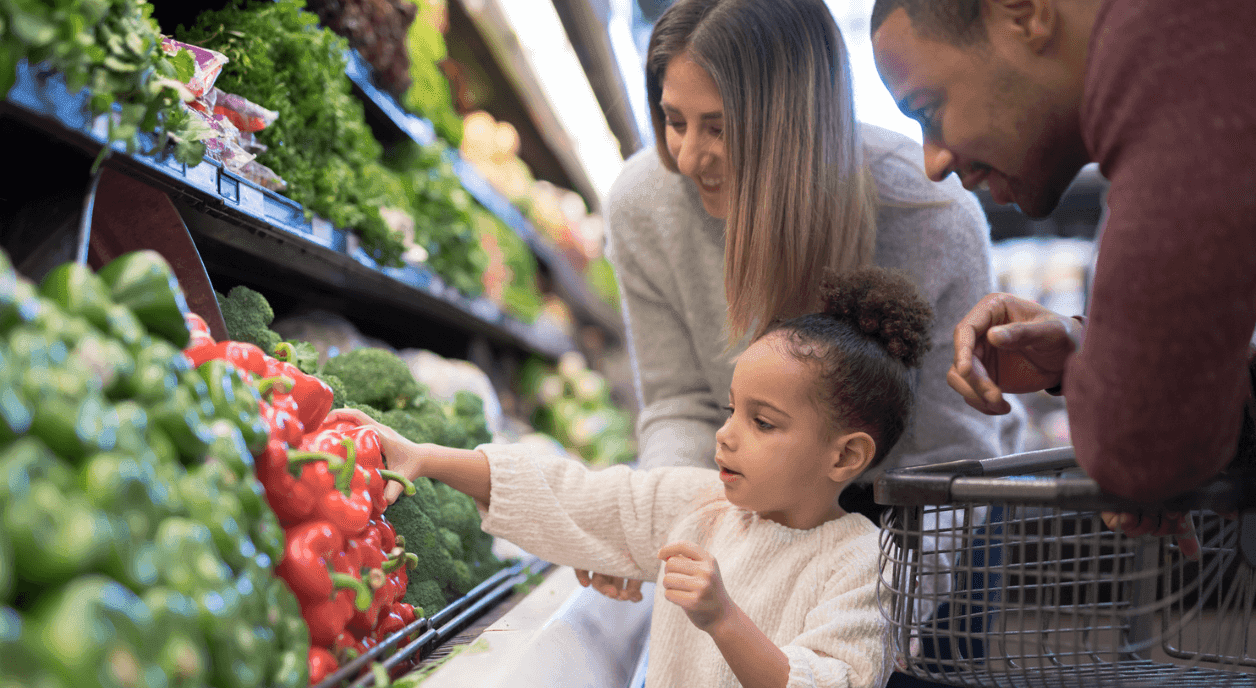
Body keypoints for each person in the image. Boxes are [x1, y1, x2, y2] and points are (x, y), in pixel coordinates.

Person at [592, 0, 1024, 604]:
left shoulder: (929, 216)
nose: (689, 158)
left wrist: (884, 626)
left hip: (916, 515)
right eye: (674, 120)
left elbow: (946, 453)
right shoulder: (642, 204)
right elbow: (682, 405)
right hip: (760, 504)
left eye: (719, 127)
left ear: (796, 124)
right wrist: (654, 527)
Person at [333, 267, 932, 688]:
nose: (725, 435)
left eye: (763, 422)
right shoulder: (701, 507)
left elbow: (830, 681)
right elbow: (575, 495)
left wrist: (723, 617)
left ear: (845, 456)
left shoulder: (862, 561)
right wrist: (427, 458)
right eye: (730, 410)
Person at [868, 0, 1256, 511]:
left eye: (927, 109)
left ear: (1023, 15)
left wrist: (1131, 409)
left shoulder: (1176, 54)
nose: (933, 162)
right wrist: (1083, 351)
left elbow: (1140, 454)